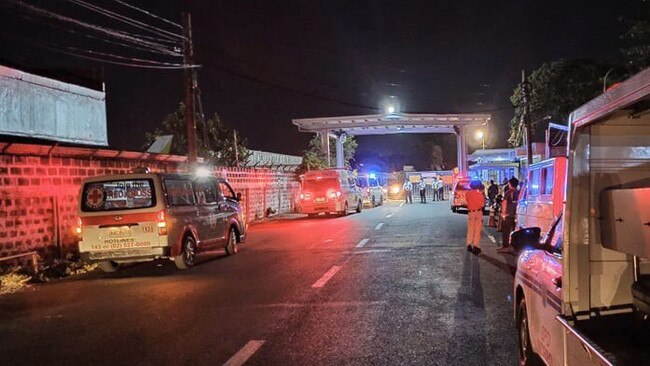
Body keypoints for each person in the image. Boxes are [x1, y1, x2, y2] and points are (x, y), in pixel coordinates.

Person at [498, 177, 520, 253]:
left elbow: (504, 203)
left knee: (506, 231)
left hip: (508, 214)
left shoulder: (508, 192)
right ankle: (514, 246)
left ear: (510, 184)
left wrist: (503, 214)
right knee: (515, 231)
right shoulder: (519, 192)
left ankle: (505, 246)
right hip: (516, 214)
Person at [466, 180, 486, 255]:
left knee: (470, 229)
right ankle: (475, 246)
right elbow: (482, 204)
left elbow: (467, 201)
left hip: (471, 212)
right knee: (477, 230)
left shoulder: (467, 194)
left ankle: (469, 244)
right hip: (478, 212)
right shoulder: (480, 194)